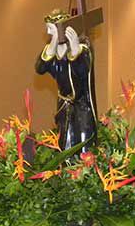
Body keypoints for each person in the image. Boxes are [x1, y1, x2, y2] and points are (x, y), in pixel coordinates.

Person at [35, 9, 97, 151]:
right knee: (65, 145)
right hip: (64, 106)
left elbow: (82, 71)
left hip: (82, 107)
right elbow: (40, 68)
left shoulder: (82, 48)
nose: (49, 33)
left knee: (83, 145)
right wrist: (53, 43)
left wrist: (75, 49)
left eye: (51, 29)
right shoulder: (53, 52)